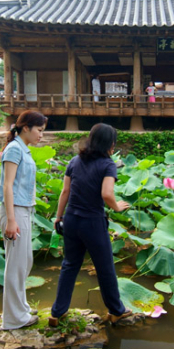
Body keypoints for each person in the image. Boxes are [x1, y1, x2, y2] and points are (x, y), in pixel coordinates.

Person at [50, 123, 132, 326]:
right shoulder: (108, 164)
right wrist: (117, 207)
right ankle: (116, 310)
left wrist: (58, 217)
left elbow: (65, 192)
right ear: (110, 144)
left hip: (71, 220)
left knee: (69, 265)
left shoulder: (74, 161)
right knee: (105, 268)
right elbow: (106, 194)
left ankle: (56, 313)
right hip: (92, 223)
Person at [0, 110, 48, 330]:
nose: (41, 136)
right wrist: (11, 221)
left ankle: (20, 309)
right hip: (14, 211)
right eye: (40, 130)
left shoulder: (22, 149)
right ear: (26, 128)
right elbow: (8, 185)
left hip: (24, 209)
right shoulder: (15, 149)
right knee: (15, 265)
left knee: (24, 262)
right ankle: (14, 319)